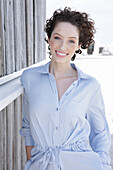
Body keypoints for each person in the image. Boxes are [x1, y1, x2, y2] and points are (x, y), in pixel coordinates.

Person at [20, 7, 111, 170]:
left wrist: (102, 165)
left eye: (71, 40)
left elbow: (100, 133)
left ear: (79, 45)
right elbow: (27, 126)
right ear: (48, 38)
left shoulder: (90, 86)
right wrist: (32, 161)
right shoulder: (29, 78)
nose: (63, 47)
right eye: (57, 37)